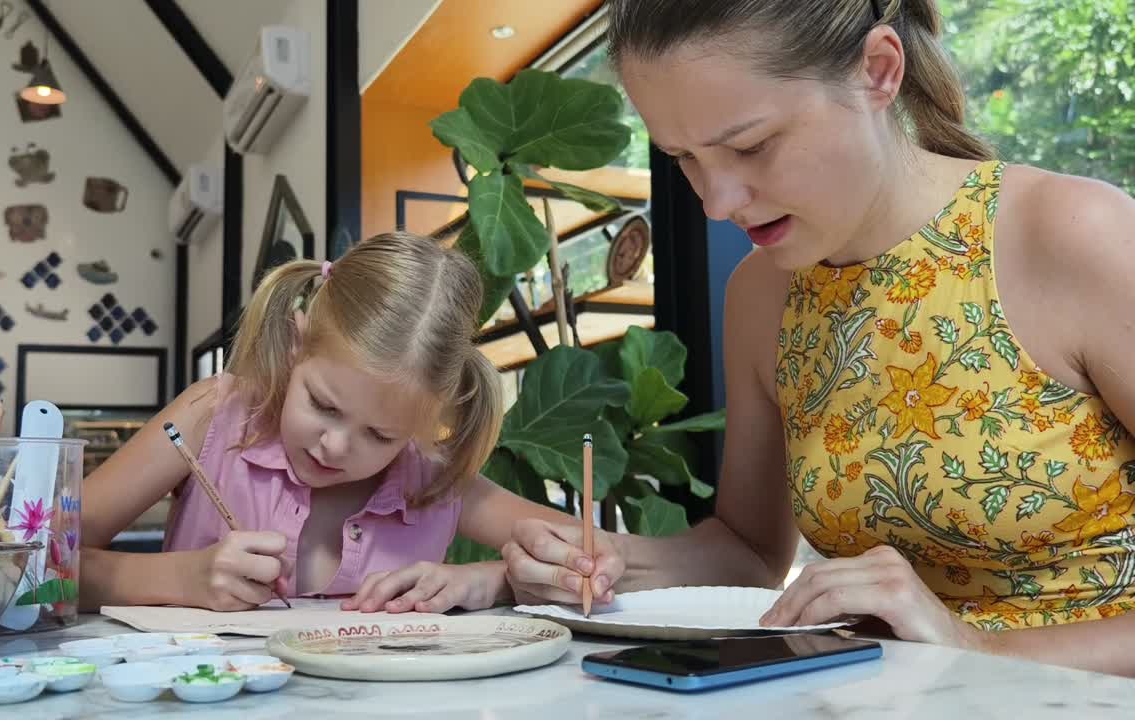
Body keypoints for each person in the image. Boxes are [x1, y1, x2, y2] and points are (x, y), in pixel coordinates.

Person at [502, 0, 1135, 675]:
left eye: (750, 146)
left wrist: (979, 649)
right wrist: (617, 564)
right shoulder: (762, 293)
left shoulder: (1073, 235)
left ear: (879, 71)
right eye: (684, 157)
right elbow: (749, 553)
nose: (716, 203)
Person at [80, 232, 573, 614]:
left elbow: (599, 561)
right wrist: (180, 579)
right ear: (297, 343)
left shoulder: (433, 478)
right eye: (323, 404)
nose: (335, 446)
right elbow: (28, 564)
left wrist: (489, 582)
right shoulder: (213, 415)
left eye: (381, 435)